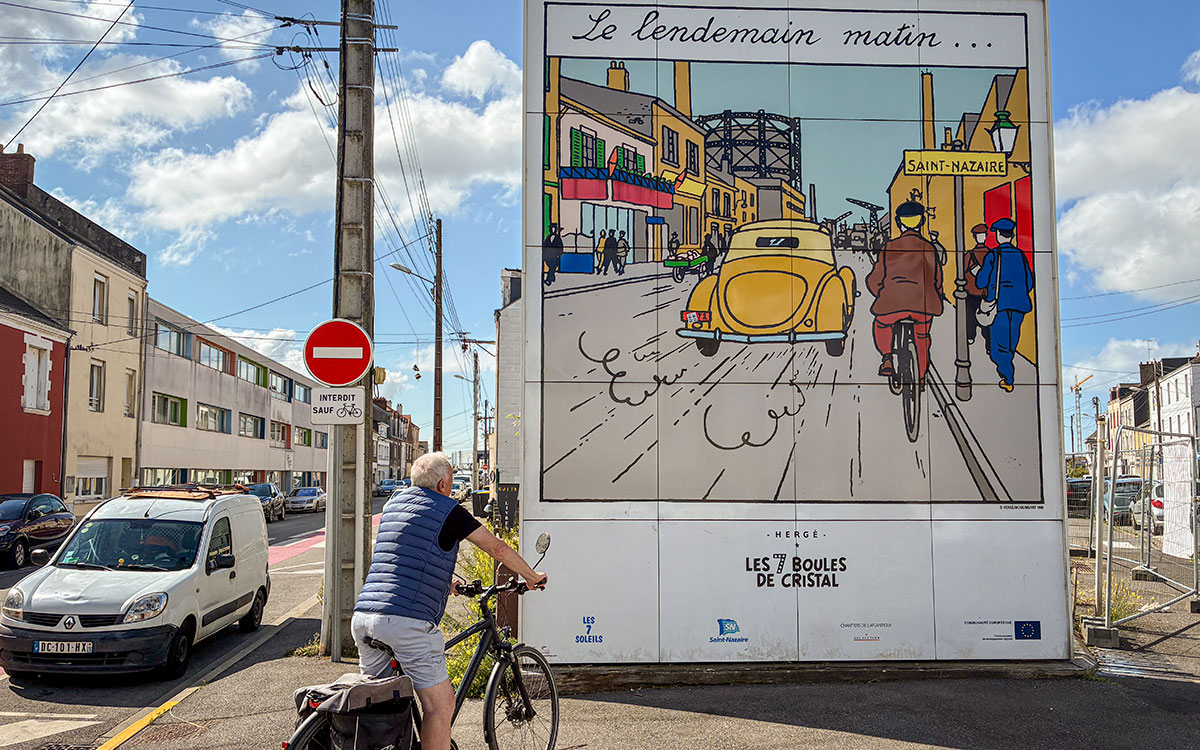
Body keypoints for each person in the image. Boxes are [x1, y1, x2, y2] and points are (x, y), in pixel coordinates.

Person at [352, 452, 547, 750]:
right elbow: (496, 548)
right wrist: (531, 575)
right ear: (443, 483)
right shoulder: (449, 510)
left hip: (365, 616)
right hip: (407, 621)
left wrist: (449, 580)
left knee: (378, 705)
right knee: (440, 707)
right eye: (452, 480)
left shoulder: (393, 505)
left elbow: (405, 554)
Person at [865, 200, 944, 383]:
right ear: (922, 221)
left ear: (899, 222)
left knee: (882, 324)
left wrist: (882, 293)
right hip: (923, 306)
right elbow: (937, 279)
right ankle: (922, 377)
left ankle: (886, 359)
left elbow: (874, 279)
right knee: (922, 337)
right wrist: (935, 294)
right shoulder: (929, 248)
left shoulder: (889, 247)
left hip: (892, 305)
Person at [973, 218, 1034, 392]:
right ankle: (1007, 369)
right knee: (1011, 340)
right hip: (1019, 305)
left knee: (998, 345)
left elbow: (981, 281)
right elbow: (1029, 282)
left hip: (999, 305)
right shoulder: (1021, 255)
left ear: (999, 235)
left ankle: (1007, 377)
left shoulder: (993, 255)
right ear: (1012, 235)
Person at [962, 223, 991, 349]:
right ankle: (988, 344)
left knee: (970, 316)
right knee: (988, 317)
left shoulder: (969, 255)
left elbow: (962, 271)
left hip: (971, 291)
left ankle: (970, 337)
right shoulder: (991, 254)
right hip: (986, 292)